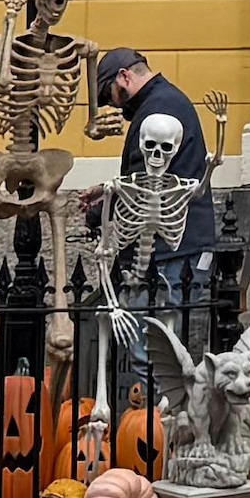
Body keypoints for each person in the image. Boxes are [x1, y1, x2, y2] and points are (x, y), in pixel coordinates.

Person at [90, 48, 218, 307]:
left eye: (108, 94)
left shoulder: (158, 109)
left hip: (172, 253)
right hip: (176, 249)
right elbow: (150, 175)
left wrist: (100, 210)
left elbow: (146, 186)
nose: (113, 104)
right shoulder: (165, 100)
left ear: (124, 77)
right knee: (165, 336)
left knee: (157, 340)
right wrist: (107, 191)